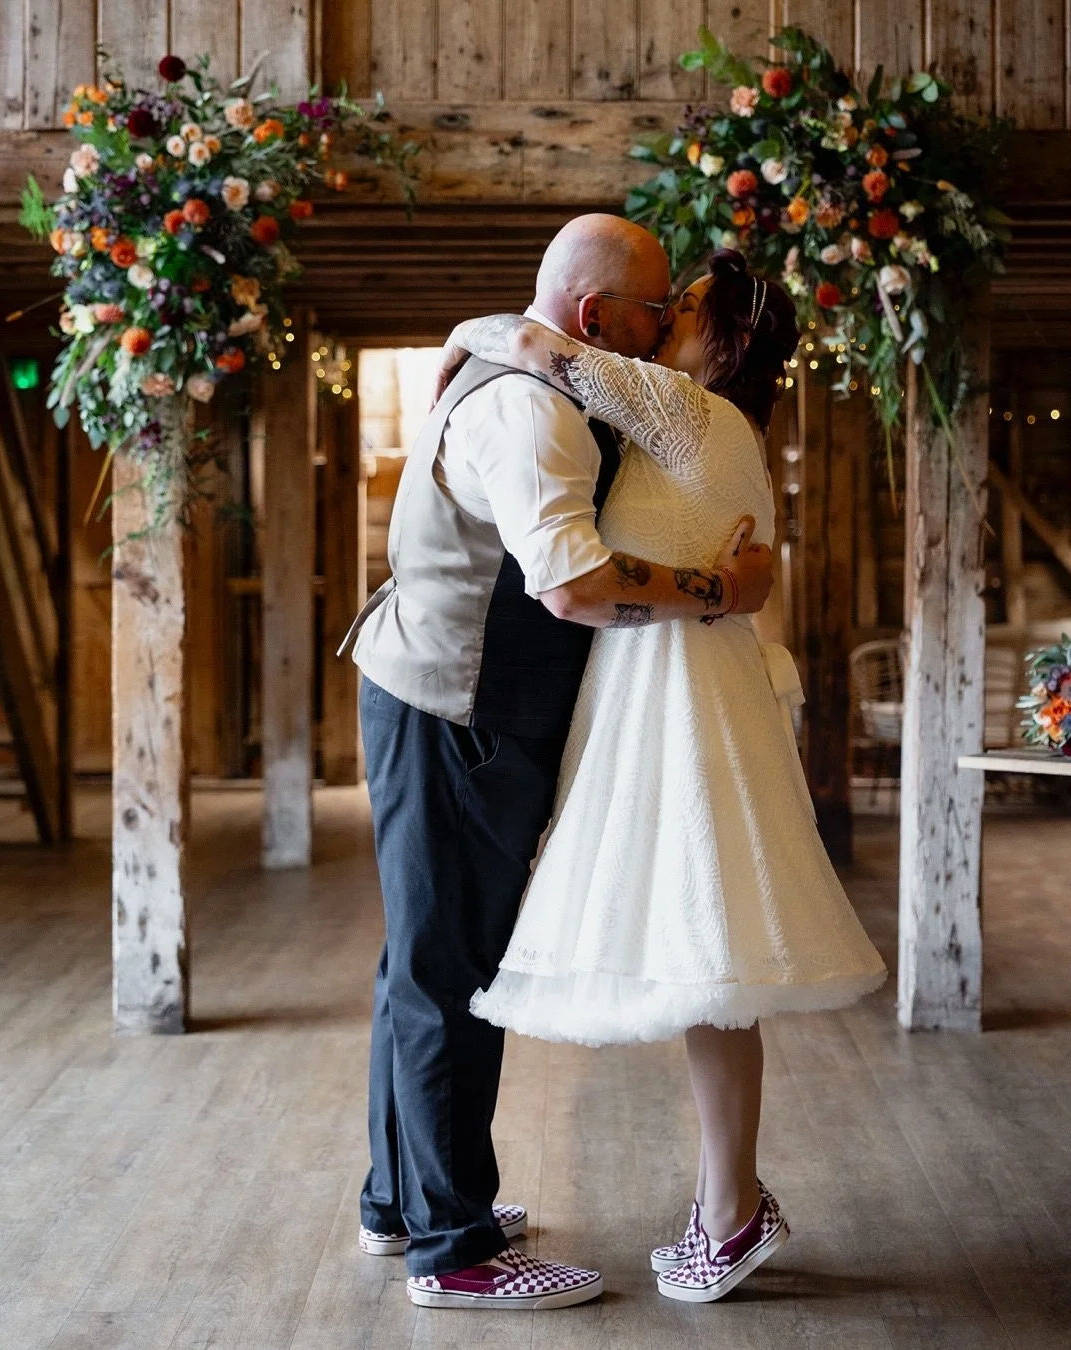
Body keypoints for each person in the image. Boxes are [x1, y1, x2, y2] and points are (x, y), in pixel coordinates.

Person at [438, 249, 888, 1304]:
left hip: (678, 691)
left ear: (718, 343)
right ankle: (724, 1203)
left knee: (709, 949)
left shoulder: (686, 410)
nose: (659, 321)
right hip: (688, 678)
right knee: (707, 956)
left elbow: (545, 342)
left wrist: (463, 333)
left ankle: (731, 1212)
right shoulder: (731, 435)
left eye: (681, 310)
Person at [343, 216, 776, 1311]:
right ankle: (457, 1249)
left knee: (426, 961)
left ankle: (404, 1199)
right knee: (450, 976)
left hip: (437, 692)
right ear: (595, 318)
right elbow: (572, 587)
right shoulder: (538, 413)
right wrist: (721, 593)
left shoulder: (531, 366)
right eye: (651, 304)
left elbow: (513, 334)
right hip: (456, 706)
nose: (664, 317)